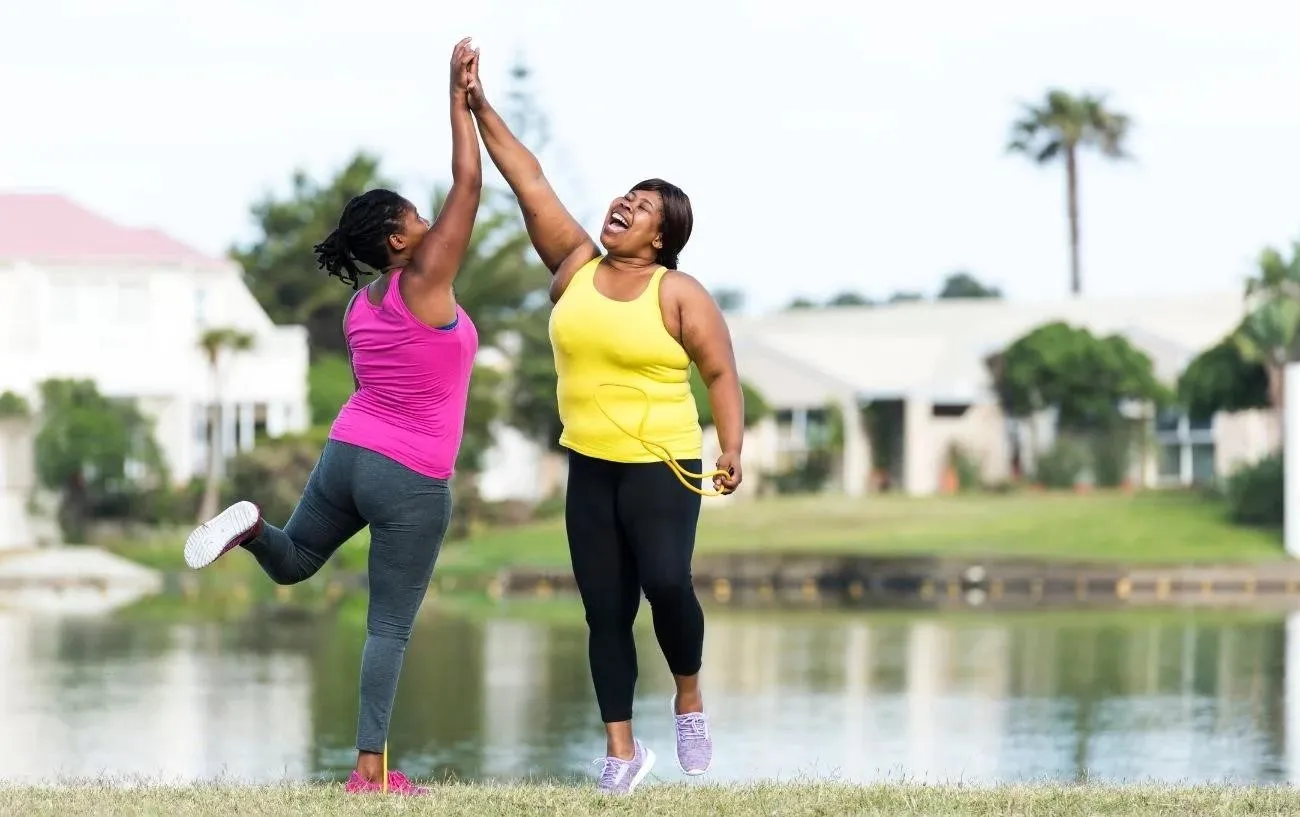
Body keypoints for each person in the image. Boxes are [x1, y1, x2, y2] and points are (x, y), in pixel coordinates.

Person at [181, 38, 483, 797]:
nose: (429, 222)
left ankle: (252, 527)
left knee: (293, 561)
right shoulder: (423, 280)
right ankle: (369, 775)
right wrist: (459, 99)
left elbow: (372, 380)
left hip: (348, 450)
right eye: (417, 218)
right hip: (411, 476)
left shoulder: (361, 306)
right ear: (397, 238)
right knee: (387, 627)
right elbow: (471, 183)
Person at [464, 55, 745, 795]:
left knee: (665, 581)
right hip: (589, 464)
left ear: (661, 236)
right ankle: (621, 750)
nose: (625, 202)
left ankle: (687, 693)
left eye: (644, 204)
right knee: (604, 610)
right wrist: (478, 105)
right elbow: (529, 181)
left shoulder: (677, 291)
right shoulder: (572, 269)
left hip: (663, 463)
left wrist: (733, 447)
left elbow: (720, 373)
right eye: (627, 193)